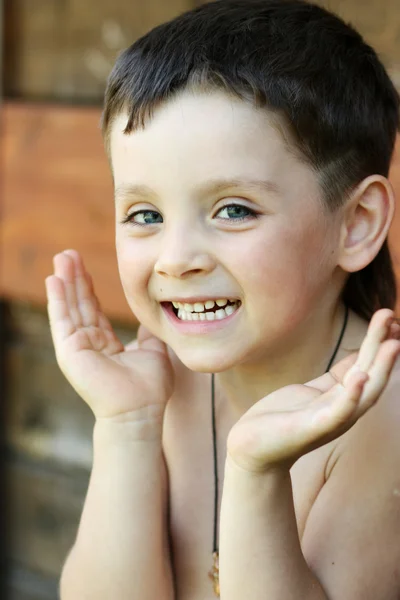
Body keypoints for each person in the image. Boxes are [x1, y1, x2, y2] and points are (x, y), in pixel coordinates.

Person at [45, 1, 400, 598]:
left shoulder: (384, 419)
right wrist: (126, 424)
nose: (176, 257)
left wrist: (257, 476)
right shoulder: (166, 380)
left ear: (357, 223)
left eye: (233, 210)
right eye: (145, 214)